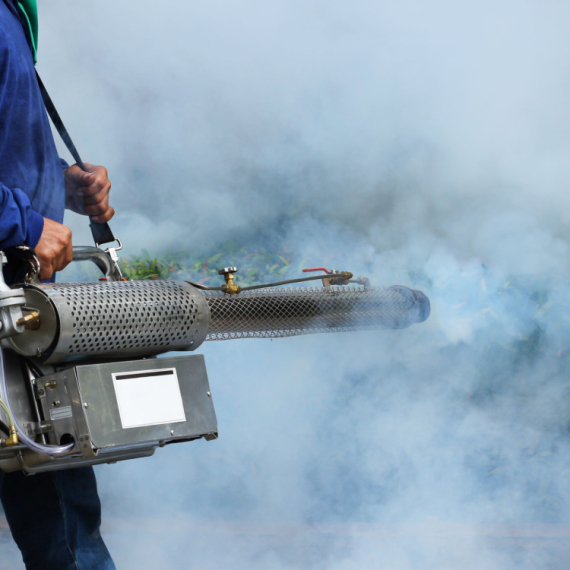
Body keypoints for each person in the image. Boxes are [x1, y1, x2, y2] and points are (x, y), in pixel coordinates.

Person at [0, 1, 116, 568]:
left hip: (20, 315)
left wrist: (57, 184)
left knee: (66, 519)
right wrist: (20, 222)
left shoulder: (12, 11)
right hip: (9, 308)